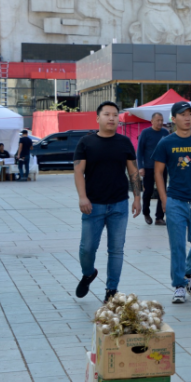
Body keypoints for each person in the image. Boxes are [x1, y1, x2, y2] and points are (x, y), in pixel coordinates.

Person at [74, 101, 141, 303]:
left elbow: (134, 172)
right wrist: (82, 197)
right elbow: (78, 171)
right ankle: (88, 273)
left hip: (119, 205)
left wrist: (137, 197)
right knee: (87, 248)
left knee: (116, 249)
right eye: (107, 114)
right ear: (98, 118)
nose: (112, 118)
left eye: (115, 115)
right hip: (92, 205)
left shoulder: (124, 143)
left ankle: (111, 290)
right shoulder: (86, 143)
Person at [153, 102, 191, 304]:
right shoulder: (166, 143)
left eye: (190, 114)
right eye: (182, 114)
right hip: (176, 200)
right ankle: (179, 285)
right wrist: (164, 199)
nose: (187, 118)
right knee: (177, 245)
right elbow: (158, 172)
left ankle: (188, 274)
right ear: (173, 119)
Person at [137, 112, 169, 225]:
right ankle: (146, 212)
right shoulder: (145, 133)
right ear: (152, 121)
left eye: (161, 120)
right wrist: (141, 167)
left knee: (162, 192)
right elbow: (139, 151)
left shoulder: (165, 133)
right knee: (148, 191)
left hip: (162, 167)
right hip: (149, 167)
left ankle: (159, 217)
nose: (160, 122)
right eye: (158, 120)